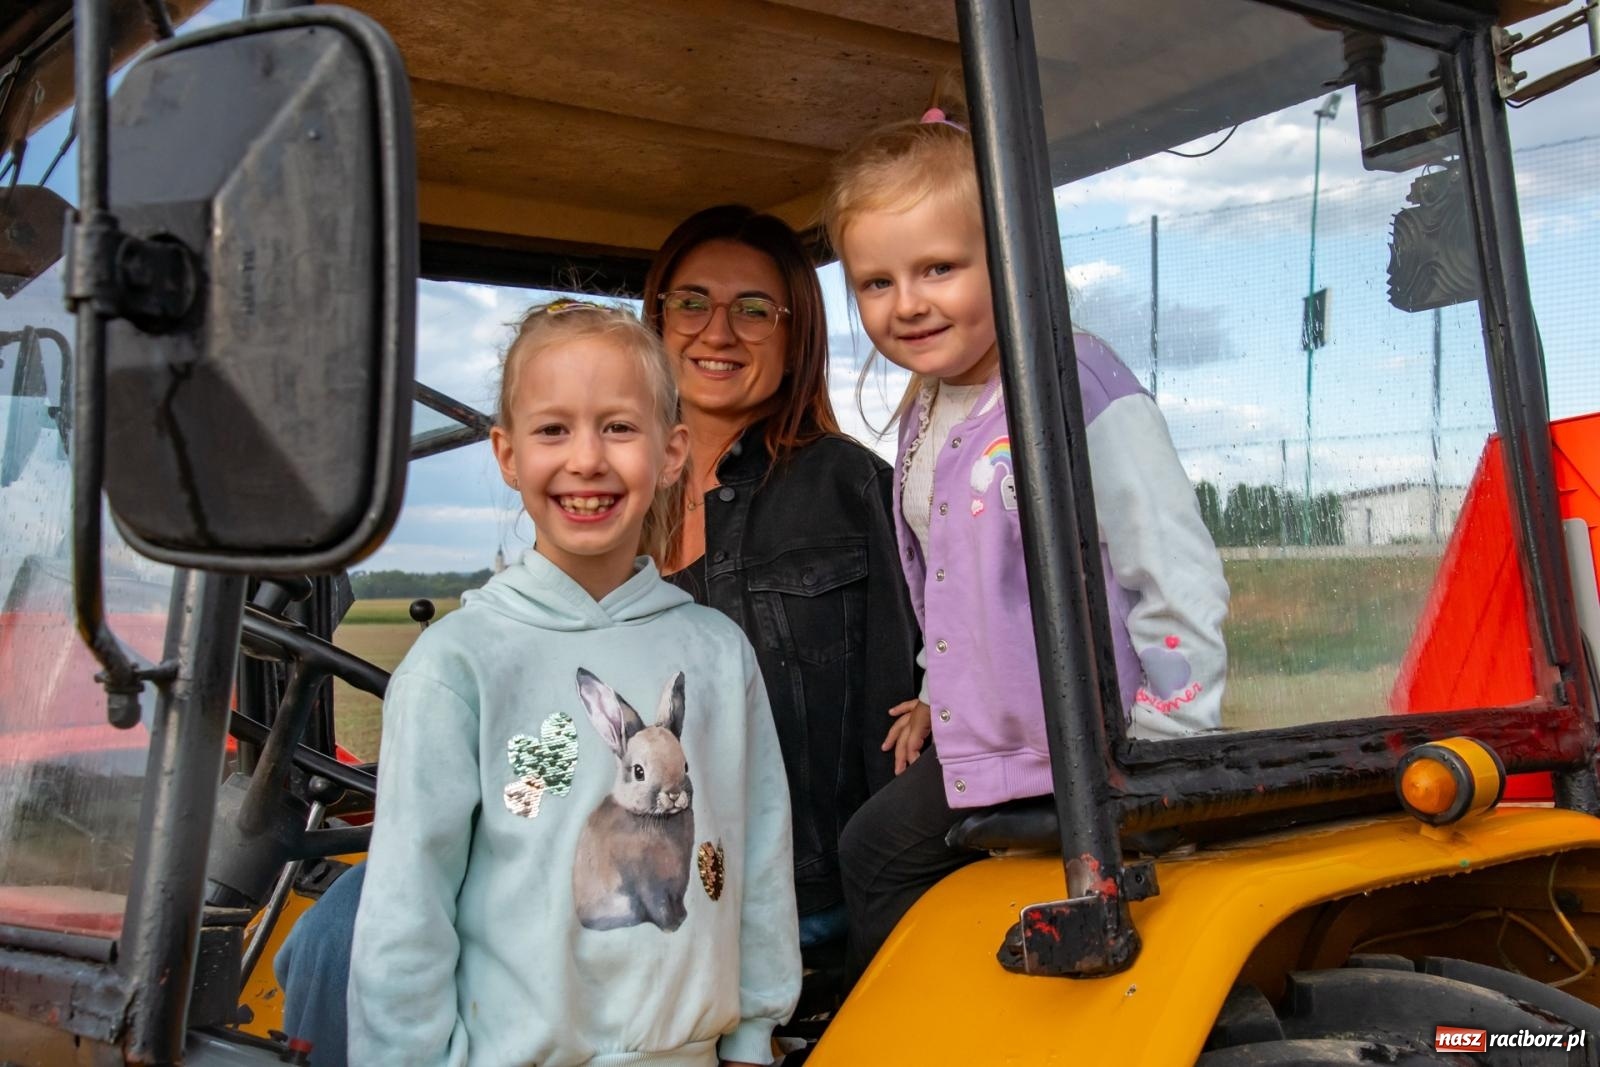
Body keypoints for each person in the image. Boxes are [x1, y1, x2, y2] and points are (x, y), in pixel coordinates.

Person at [824, 101, 1230, 971]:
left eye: (939, 268)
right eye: (876, 283)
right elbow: (955, 583)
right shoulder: (925, 411)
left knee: (875, 852)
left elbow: (1172, 566)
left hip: (1086, 750)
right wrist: (936, 688)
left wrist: (1170, 750)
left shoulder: (1071, 380)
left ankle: (924, 1026)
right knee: (870, 825)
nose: (908, 304)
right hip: (1000, 739)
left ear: (1010, 254)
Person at [344, 301, 799, 1066]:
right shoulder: (456, 667)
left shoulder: (718, 653)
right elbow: (406, 913)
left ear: (672, 452)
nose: (586, 459)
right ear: (507, 453)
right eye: (553, 429)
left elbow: (758, 854)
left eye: (618, 427)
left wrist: (754, 1033)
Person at [643, 205, 920, 948]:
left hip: (805, 911)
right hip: (649, 905)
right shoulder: (613, 504)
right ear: (658, 323)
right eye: (692, 302)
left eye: (753, 310)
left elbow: (915, 712)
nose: (717, 332)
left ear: (797, 341)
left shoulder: (854, 492)